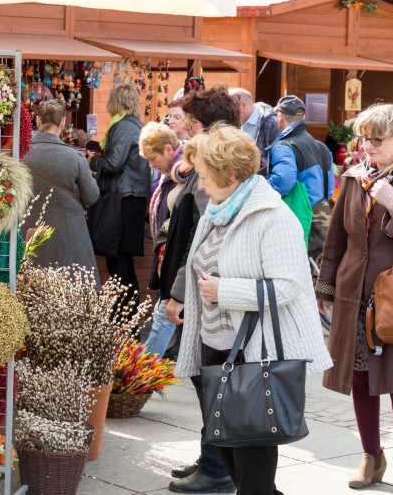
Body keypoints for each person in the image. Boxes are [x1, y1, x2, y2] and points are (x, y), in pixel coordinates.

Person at [172, 125, 331, 495]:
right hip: (215, 345)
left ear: (229, 175)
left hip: (254, 352)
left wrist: (225, 290)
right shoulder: (217, 209)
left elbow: (290, 286)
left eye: (207, 177)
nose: (201, 185)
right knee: (227, 447)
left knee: (253, 462)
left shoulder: (273, 216)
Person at [315, 103, 393, 495]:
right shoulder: (352, 177)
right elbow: (335, 239)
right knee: (360, 377)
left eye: (376, 139)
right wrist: (326, 286)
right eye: (363, 137)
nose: (366, 146)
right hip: (355, 294)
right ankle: (371, 455)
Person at [162, 86, 241, 493]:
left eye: (190, 122)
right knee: (205, 376)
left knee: (209, 376)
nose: (184, 128)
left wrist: (177, 292)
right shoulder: (205, 159)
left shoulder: (218, 163)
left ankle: (217, 465)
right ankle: (213, 456)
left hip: (204, 285)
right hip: (198, 281)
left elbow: (201, 235)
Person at [21, 99, 100, 275]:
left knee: (29, 290)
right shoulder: (75, 158)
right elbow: (92, 197)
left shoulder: (22, 155)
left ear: (38, 121)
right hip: (69, 237)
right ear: (63, 122)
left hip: (29, 235)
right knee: (70, 293)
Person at [90, 84, 150, 305]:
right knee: (124, 264)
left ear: (116, 101)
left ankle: (123, 322)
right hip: (132, 200)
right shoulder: (137, 125)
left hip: (121, 202)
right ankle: (128, 323)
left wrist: (92, 161)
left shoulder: (123, 127)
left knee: (118, 265)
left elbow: (113, 164)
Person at [261, 95, 335, 246]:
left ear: (280, 117)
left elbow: (282, 183)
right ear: (304, 117)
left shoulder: (284, 146)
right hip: (323, 216)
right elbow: (329, 186)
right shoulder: (321, 146)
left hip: (299, 217)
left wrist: (260, 191)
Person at [142, 122, 183, 358]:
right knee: (165, 313)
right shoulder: (170, 173)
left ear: (169, 149)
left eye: (152, 158)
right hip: (167, 252)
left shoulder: (182, 172)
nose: (151, 165)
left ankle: (143, 368)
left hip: (175, 253)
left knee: (164, 313)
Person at [230, 87, 279, 154]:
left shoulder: (272, 123)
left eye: (233, 109)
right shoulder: (234, 122)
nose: (232, 113)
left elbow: (277, 155)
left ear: (243, 105)